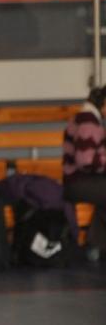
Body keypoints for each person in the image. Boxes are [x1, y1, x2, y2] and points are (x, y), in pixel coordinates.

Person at [62, 85, 106, 260]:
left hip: (77, 181)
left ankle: (95, 245)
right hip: (78, 182)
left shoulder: (86, 117)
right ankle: (94, 245)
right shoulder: (88, 121)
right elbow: (85, 161)